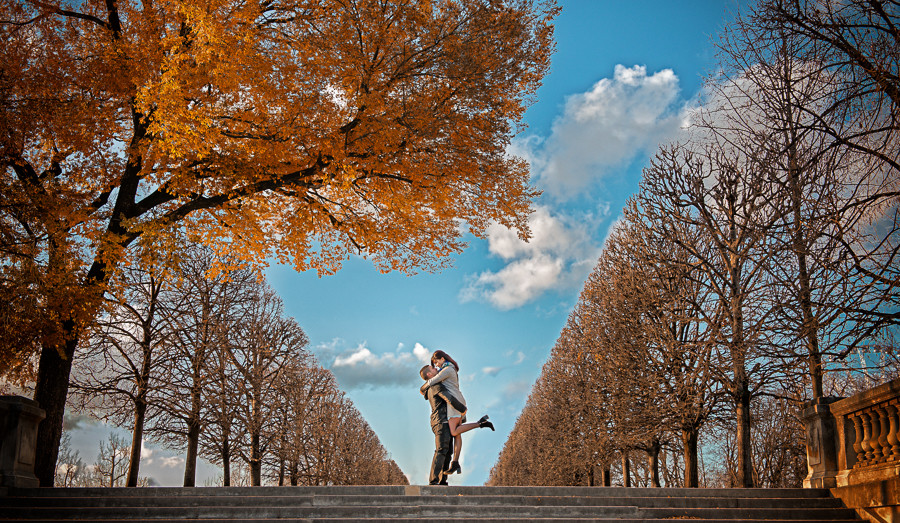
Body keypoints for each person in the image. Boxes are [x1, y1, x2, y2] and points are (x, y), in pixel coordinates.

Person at [419, 350, 493, 477]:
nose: (436, 365)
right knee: (457, 434)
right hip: (459, 401)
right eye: (434, 365)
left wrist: (421, 389)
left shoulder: (447, 370)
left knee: (454, 432)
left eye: (436, 362)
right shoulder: (449, 368)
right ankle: (455, 462)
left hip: (455, 404)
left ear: (442, 359)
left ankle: (479, 423)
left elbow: (431, 382)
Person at [420, 369, 467, 485]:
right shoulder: (435, 386)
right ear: (429, 374)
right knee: (441, 450)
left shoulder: (431, 387)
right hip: (441, 421)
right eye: (433, 369)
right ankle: (434, 480)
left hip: (441, 421)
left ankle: (442, 480)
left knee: (447, 451)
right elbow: (448, 398)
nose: (436, 369)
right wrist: (463, 409)